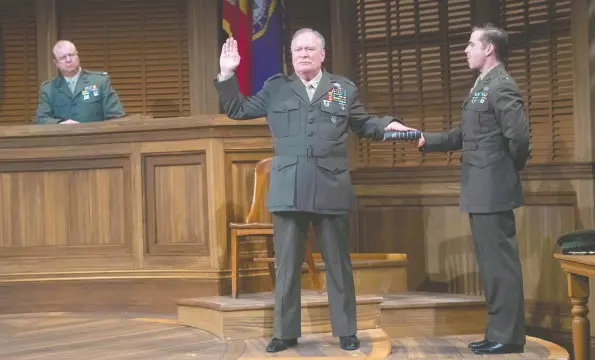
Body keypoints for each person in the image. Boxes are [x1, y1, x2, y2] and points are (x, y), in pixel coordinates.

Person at [214, 28, 412, 353]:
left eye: (309, 49)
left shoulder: (341, 89)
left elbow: (364, 124)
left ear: (322, 54)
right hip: (288, 189)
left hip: (329, 185)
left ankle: (346, 330)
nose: (303, 55)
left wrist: (389, 125)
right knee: (288, 265)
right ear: (291, 56)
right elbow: (237, 109)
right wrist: (227, 73)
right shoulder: (276, 88)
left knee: (337, 262)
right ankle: (285, 332)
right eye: (297, 50)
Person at [415, 23, 530, 355]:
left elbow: (519, 139)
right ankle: (498, 331)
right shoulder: (482, 85)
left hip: (492, 187)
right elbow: (465, 133)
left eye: (470, 44)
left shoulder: (501, 85)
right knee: (490, 266)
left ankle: (508, 337)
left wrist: (504, 169)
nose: (465, 50)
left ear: (489, 49)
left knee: (500, 266)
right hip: (480, 189)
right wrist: (427, 140)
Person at [34, 40, 125, 124]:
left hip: (95, 138)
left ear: (77, 55)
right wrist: (60, 124)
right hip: (63, 139)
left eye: (71, 55)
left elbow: (116, 115)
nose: (68, 60)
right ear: (56, 63)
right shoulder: (48, 89)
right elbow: (41, 119)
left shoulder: (99, 81)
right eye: (63, 57)